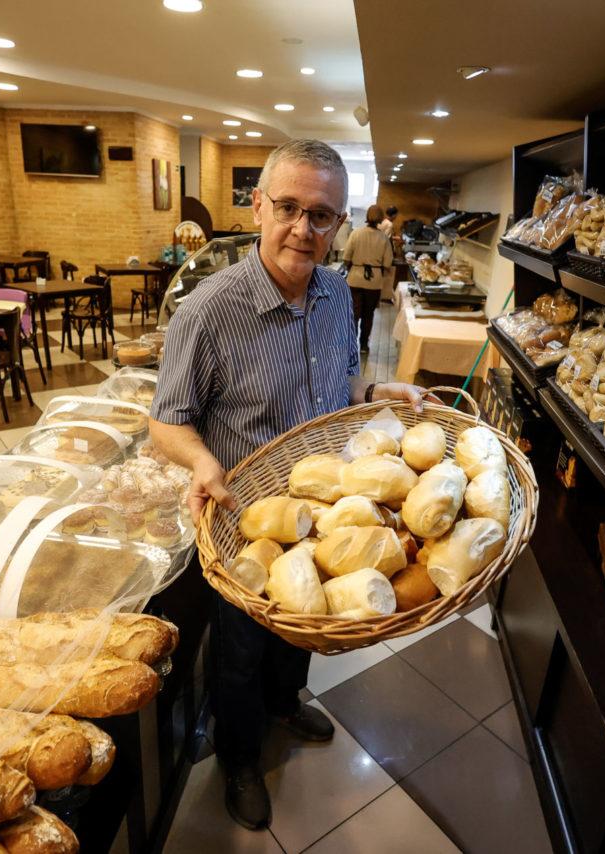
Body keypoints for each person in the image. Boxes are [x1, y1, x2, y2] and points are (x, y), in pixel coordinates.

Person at [148, 139, 434, 832]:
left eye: (322, 216)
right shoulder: (209, 312)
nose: (303, 229)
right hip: (244, 517)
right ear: (257, 208)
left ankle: (285, 703)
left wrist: (373, 389)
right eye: (289, 208)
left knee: (302, 626)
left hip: (321, 504)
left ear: (340, 224)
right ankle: (240, 758)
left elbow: (335, 386)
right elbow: (167, 422)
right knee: (241, 648)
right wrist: (202, 463)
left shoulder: (336, 294)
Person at [342, 204, 396, 354]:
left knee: (353, 313)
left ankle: (350, 345)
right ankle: (364, 346)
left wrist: (352, 267)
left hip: (354, 279)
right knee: (368, 315)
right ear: (380, 218)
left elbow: (346, 258)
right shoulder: (384, 238)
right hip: (374, 282)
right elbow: (387, 263)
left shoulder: (356, 233)